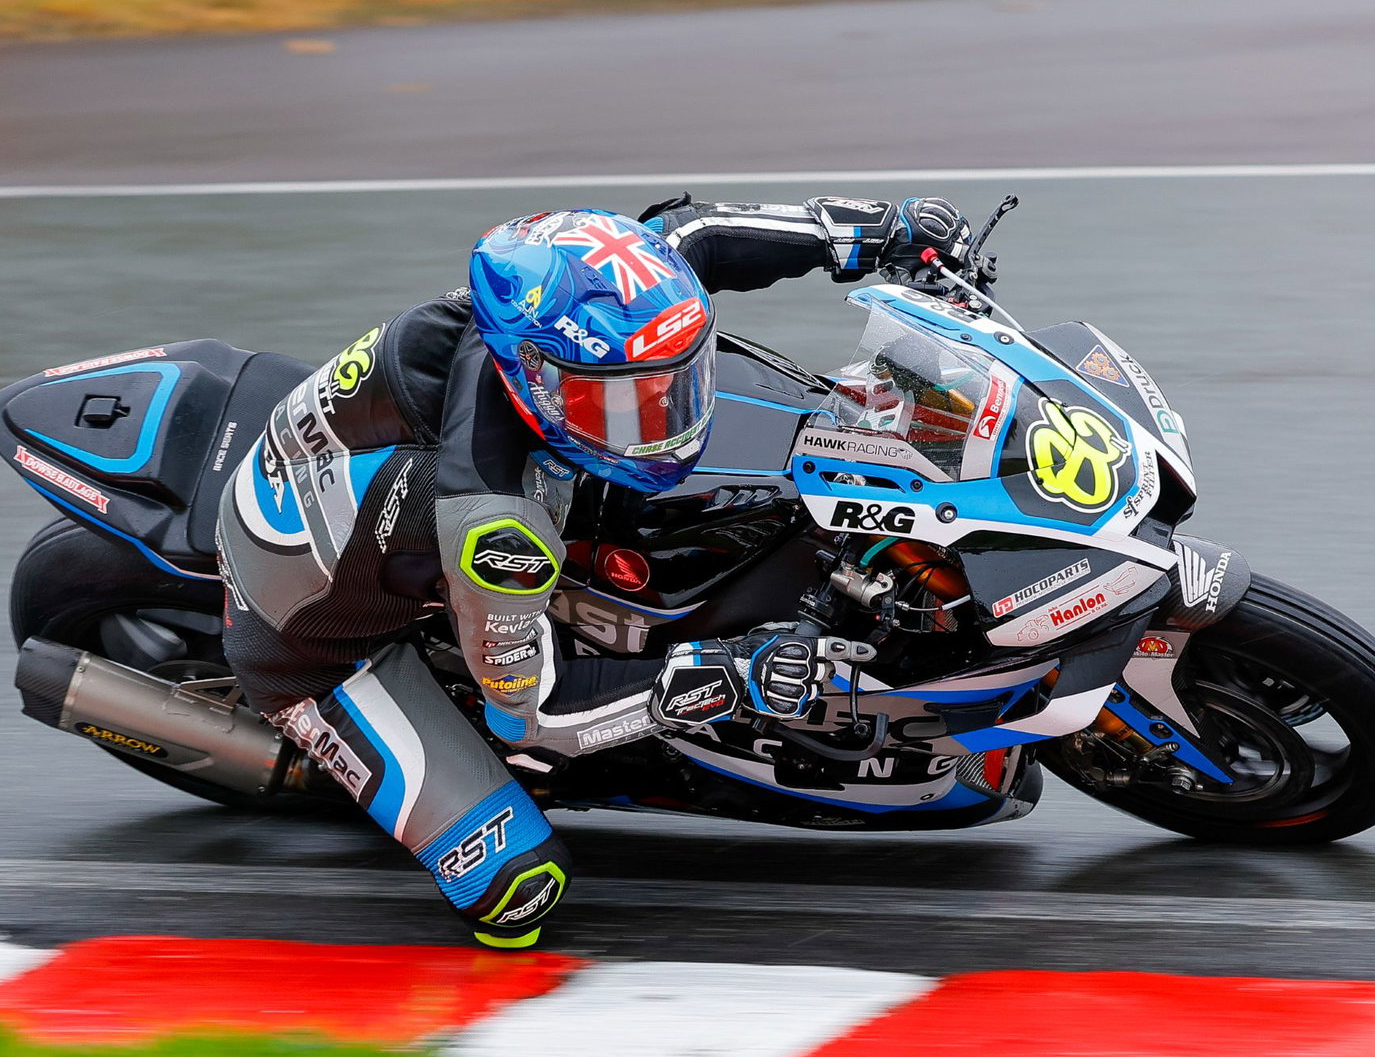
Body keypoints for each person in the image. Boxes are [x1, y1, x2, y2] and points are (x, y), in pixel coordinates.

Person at [214, 195, 977, 947]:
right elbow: (532, 714)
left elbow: (692, 236)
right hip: (319, 645)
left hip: (379, 491)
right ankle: (346, 745)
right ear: (537, 379)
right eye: (625, 406)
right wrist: (734, 674)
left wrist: (881, 230)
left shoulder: (569, 317)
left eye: (673, 386)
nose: (666, 419)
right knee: (516, 893)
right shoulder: (495, 527)